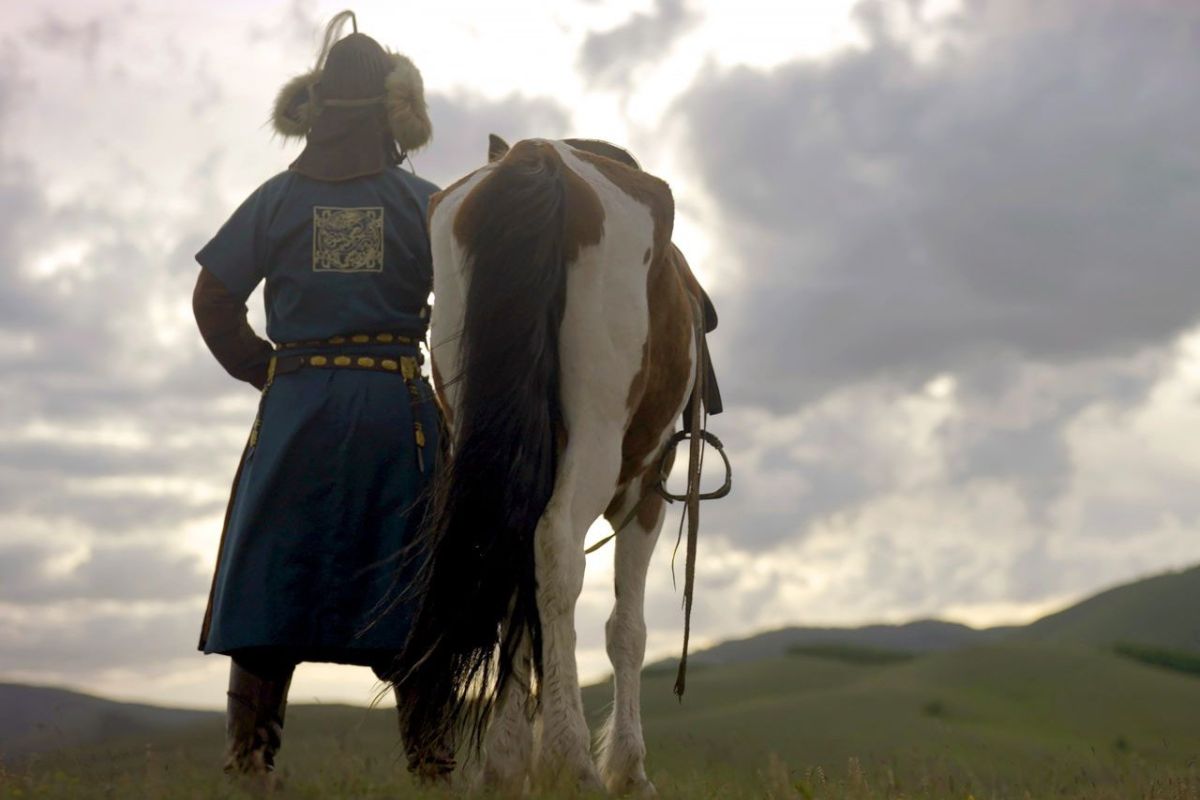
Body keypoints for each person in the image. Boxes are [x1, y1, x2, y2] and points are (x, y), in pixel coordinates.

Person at [191, 10, 447, 784]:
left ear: (317, 108)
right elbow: (472, 316)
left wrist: (266, 369)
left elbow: (212, 300)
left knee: (273, 578)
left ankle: (250, 764)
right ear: (396, 111)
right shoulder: (426, 204)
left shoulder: (273, 200)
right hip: (396, 413)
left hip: (296, 409)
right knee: (414, 587)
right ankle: (432, 770)